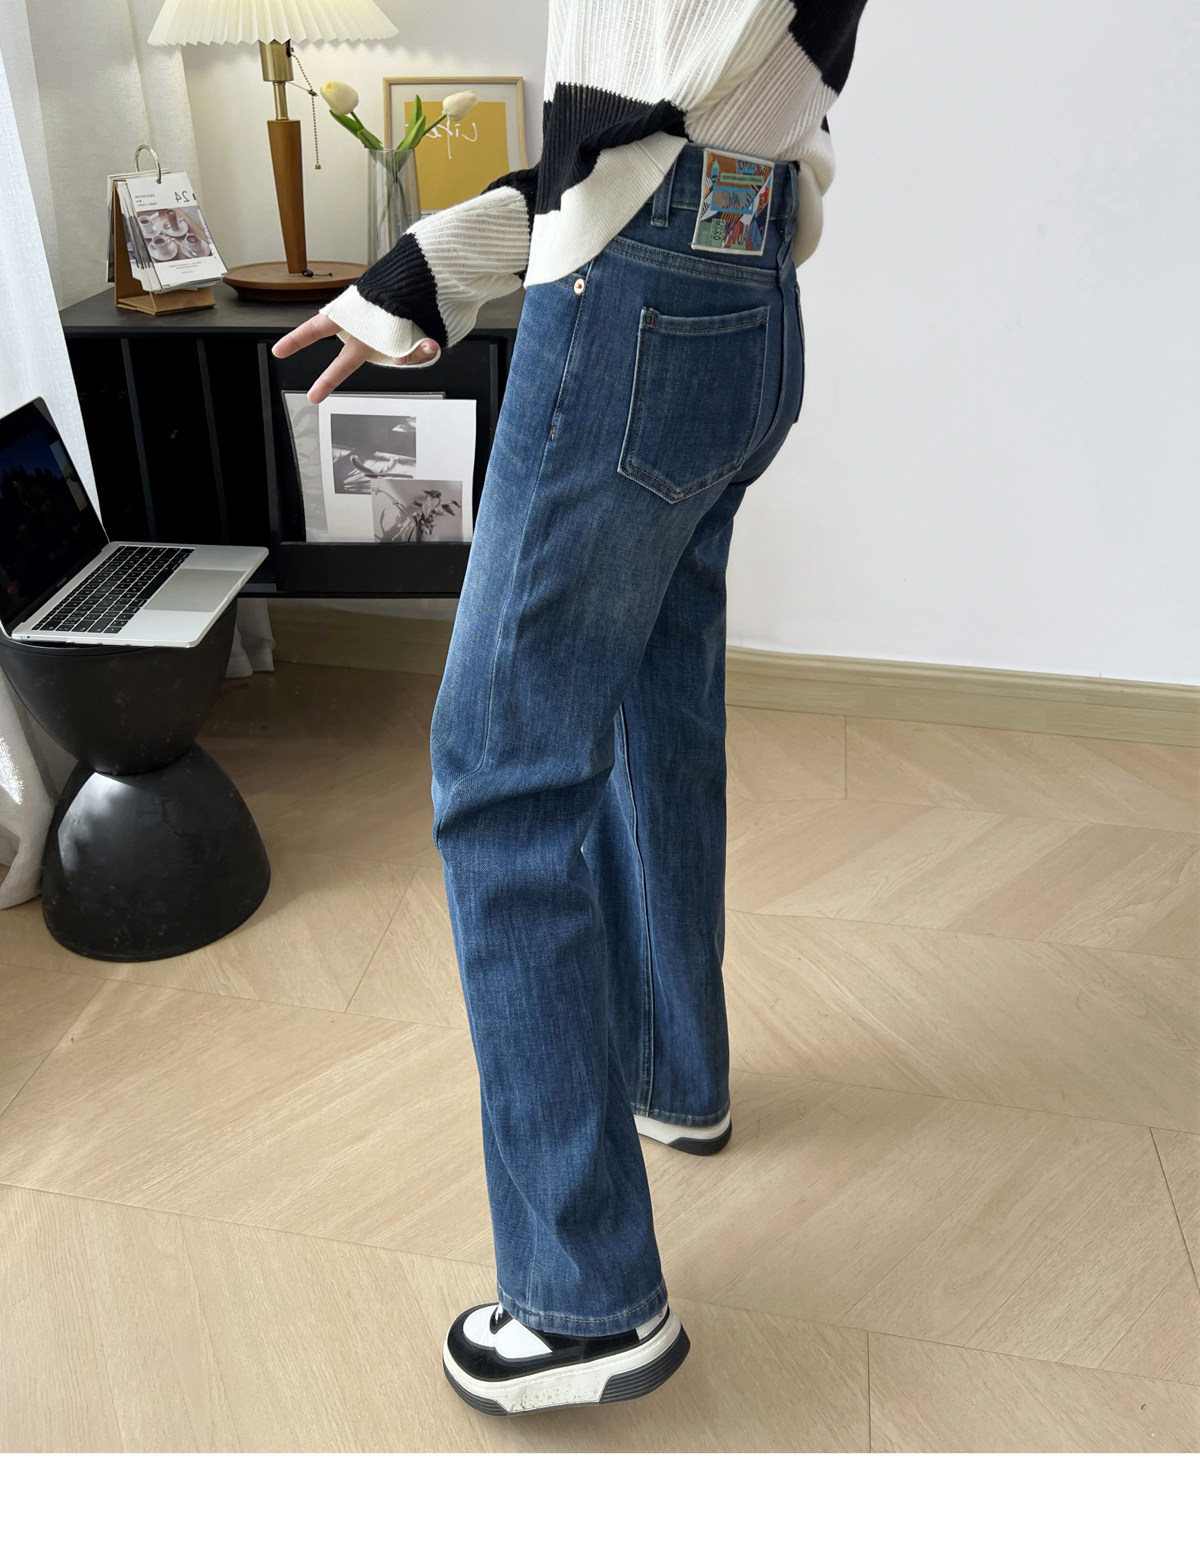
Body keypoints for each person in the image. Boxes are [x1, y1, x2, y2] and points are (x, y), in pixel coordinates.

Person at [273, 0, 869, 1417]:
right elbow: (659, 123)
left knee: (501, 766)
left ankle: (583, 1296)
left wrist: (450, 262)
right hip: (750, 283)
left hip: (635, 301)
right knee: (660, 694)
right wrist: (433, 270)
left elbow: (618, 123)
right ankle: (676, 1072)